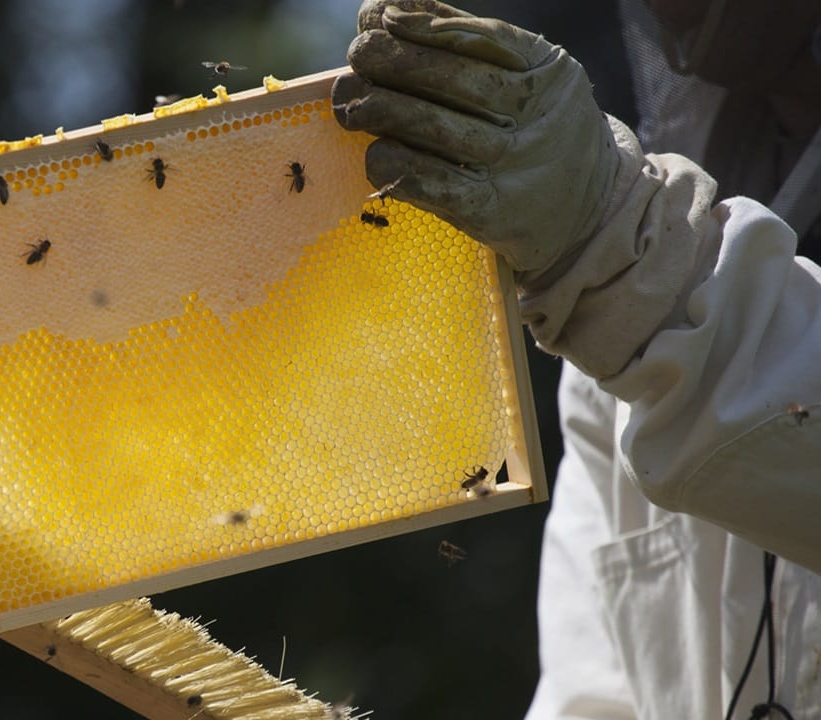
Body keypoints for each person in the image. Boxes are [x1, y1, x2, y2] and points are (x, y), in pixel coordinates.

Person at [332, 0, 821, 717]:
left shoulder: (610, 274)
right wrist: (625, 266)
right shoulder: (601, 356)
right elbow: (589, 695)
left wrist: (625, 256)